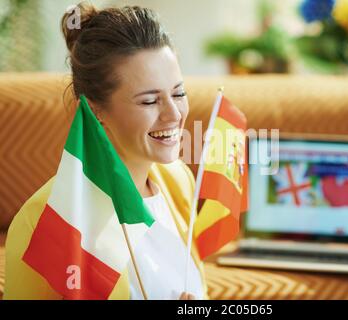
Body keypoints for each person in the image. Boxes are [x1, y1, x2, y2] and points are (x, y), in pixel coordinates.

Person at [4, 3, 207, 300]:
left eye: (178, 93)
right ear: (96, 109)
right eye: (149, 101)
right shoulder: (47, 220)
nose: (174, 114)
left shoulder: (178, 181)